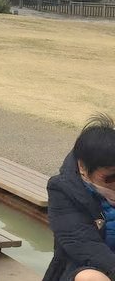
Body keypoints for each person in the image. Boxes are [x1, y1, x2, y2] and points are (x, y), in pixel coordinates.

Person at [43, 114, 115, 281]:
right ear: (82, 167)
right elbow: (85, 245)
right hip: (84, 270)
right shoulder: (62, 190)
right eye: (110, 178)